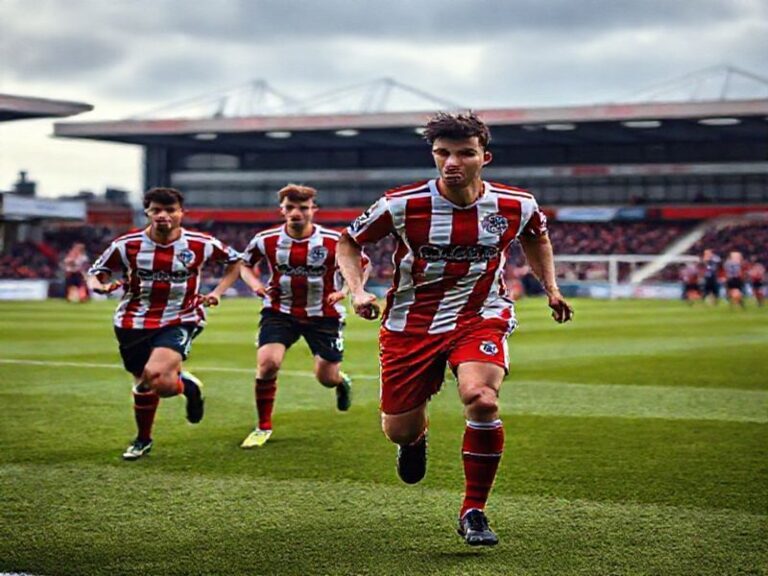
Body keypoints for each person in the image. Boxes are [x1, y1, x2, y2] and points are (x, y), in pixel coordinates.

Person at [337, 111, 573, 547]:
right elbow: (348, 242)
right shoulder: (401, 204)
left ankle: (474, 510)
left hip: (481, 314)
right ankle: (415, 439)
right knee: (399, 429)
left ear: (485, 156)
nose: (452, 162)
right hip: (411, 324)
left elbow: (536, 237)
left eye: (465, 153)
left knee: (481, 399)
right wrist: (357, 290)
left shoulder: (516, 204)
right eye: (442, 152)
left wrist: (551, 289)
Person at [87, 187, 241, 460]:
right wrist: (98, 285)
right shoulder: (127, 244)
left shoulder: (200, 243)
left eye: (170, 210)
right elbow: (96, 272)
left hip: (180, 317)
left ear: (181, 213)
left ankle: (140, 439)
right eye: (156, 210)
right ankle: (186, 390)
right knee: (152, 385)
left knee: (153, 373)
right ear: (147, 212)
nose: (163, 216)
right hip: (132, 321)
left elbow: (235, 262)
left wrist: (217, 292)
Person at [239, 184, 370, 448]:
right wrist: (254, 285)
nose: (296, 212)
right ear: (282, 210)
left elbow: (362, 265)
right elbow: (244, 264)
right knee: (268, 364)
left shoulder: (334, 241)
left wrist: (346, 290)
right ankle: (263, 426)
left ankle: (340, 382)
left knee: (326, 378)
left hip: (324, 315)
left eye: (302, 207)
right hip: (279, 311)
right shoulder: (266, 239)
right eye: (290, 207)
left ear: (314, 210)